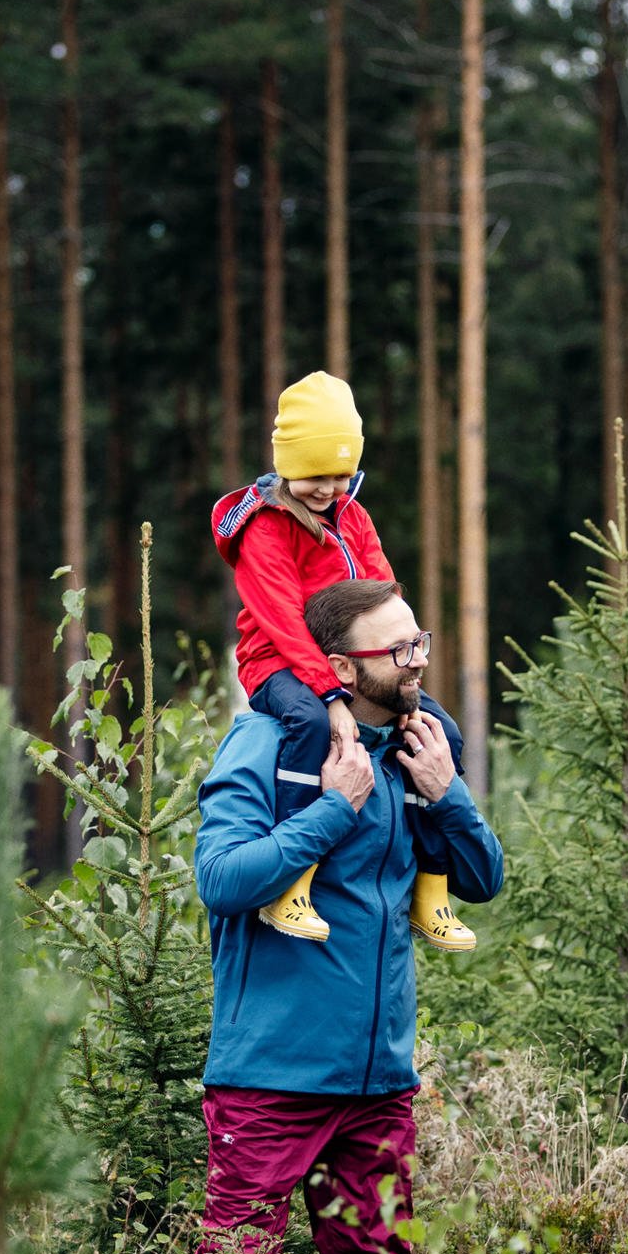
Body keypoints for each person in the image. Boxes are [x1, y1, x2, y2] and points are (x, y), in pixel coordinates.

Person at [172, 578, 506, 1254]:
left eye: (419, 641)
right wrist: (332, 809)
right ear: (341, 670)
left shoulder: (414, 750)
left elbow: (484, 879)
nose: (417, 660)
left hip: (378, 1085)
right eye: (398, 650)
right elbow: (221, 880)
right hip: (271, 1081)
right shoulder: (267, 746)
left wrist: (447, 794)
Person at [212, 370, 474, 951]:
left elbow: (383, 587)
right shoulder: (265, 526)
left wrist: (398, 657)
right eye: (314, 477)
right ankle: (293, 884)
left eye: (340, 474)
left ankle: (430, 889)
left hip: (352, 663)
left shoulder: (352, 515)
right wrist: (330, 698)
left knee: (442, 735)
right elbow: (280, 619)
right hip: (278, 662)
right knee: (307, 726)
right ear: (286, 466)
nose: (329, 489)